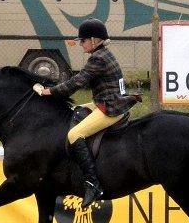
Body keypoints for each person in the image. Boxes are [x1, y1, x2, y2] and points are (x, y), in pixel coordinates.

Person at [34, 18, 140, 208]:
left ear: (93, 40)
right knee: (77, 111)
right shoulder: (104, 53)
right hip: (107, 100)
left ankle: (93, 183)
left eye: (82, 41)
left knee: (75, 134)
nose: (81, 44)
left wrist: (48, 91)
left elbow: (76, 83)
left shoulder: (98, 58)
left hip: (111, 107)